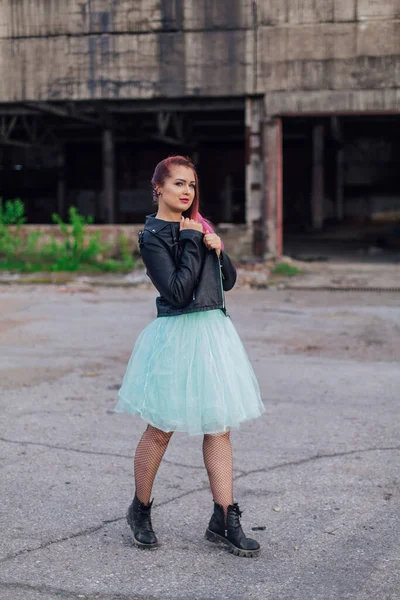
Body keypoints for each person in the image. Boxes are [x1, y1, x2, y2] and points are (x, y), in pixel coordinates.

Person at [115, 155, 266, 558]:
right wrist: (189, 241)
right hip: (176, 335)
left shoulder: (199, 227)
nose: (186, 192)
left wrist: (217, 248)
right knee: (161, 427)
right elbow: (178, 292)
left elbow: (227, 282)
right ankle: (140, 510)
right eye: (179, 184)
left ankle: (224, 518)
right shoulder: (154, 236)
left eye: (192, 185)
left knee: (219, 427)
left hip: (214, 333)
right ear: (158, 189)